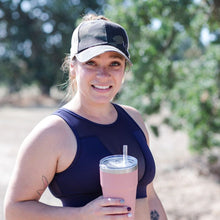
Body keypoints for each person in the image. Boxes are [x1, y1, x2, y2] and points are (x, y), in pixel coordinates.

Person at [4, 14, 167, 220]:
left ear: (124, 69)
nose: (103, 74)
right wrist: (81, 215)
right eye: (91, 62)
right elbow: (14, 211)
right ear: (73, 67)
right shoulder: (53, 132)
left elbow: (149, 196)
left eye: (114, 63)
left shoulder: (134, 119)